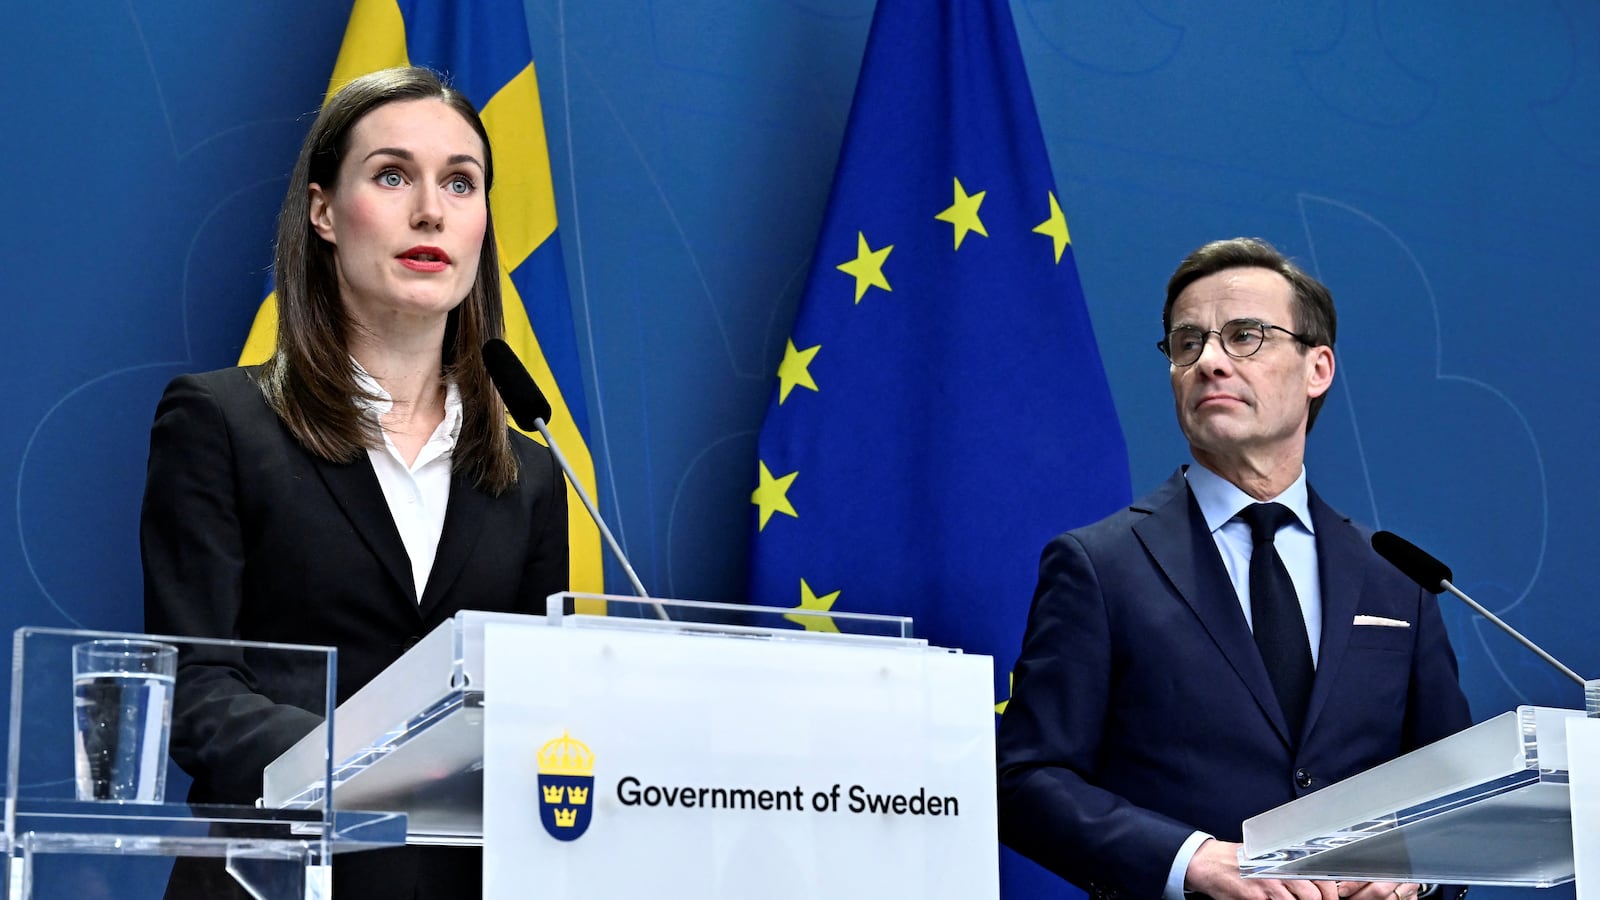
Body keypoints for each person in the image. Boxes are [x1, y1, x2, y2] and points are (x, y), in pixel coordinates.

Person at [141, 66, 569, 900]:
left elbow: (538, 713)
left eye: (460, 182)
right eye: (392, 175)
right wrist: (393, 758)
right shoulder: (220, 423)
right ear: (324, 211)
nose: (430, 211)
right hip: (275, 877)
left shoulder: (533, 472)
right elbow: (196, 691)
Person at [995, 237, 1472, 900]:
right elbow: (1025, 777)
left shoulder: (1395, 578)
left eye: (1245, 336)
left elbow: (1454, 792)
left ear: (1318, 369)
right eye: (1187, 343)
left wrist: (1412, 873)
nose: (1210, 361)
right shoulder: (1100, 567)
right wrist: (1187, 860)